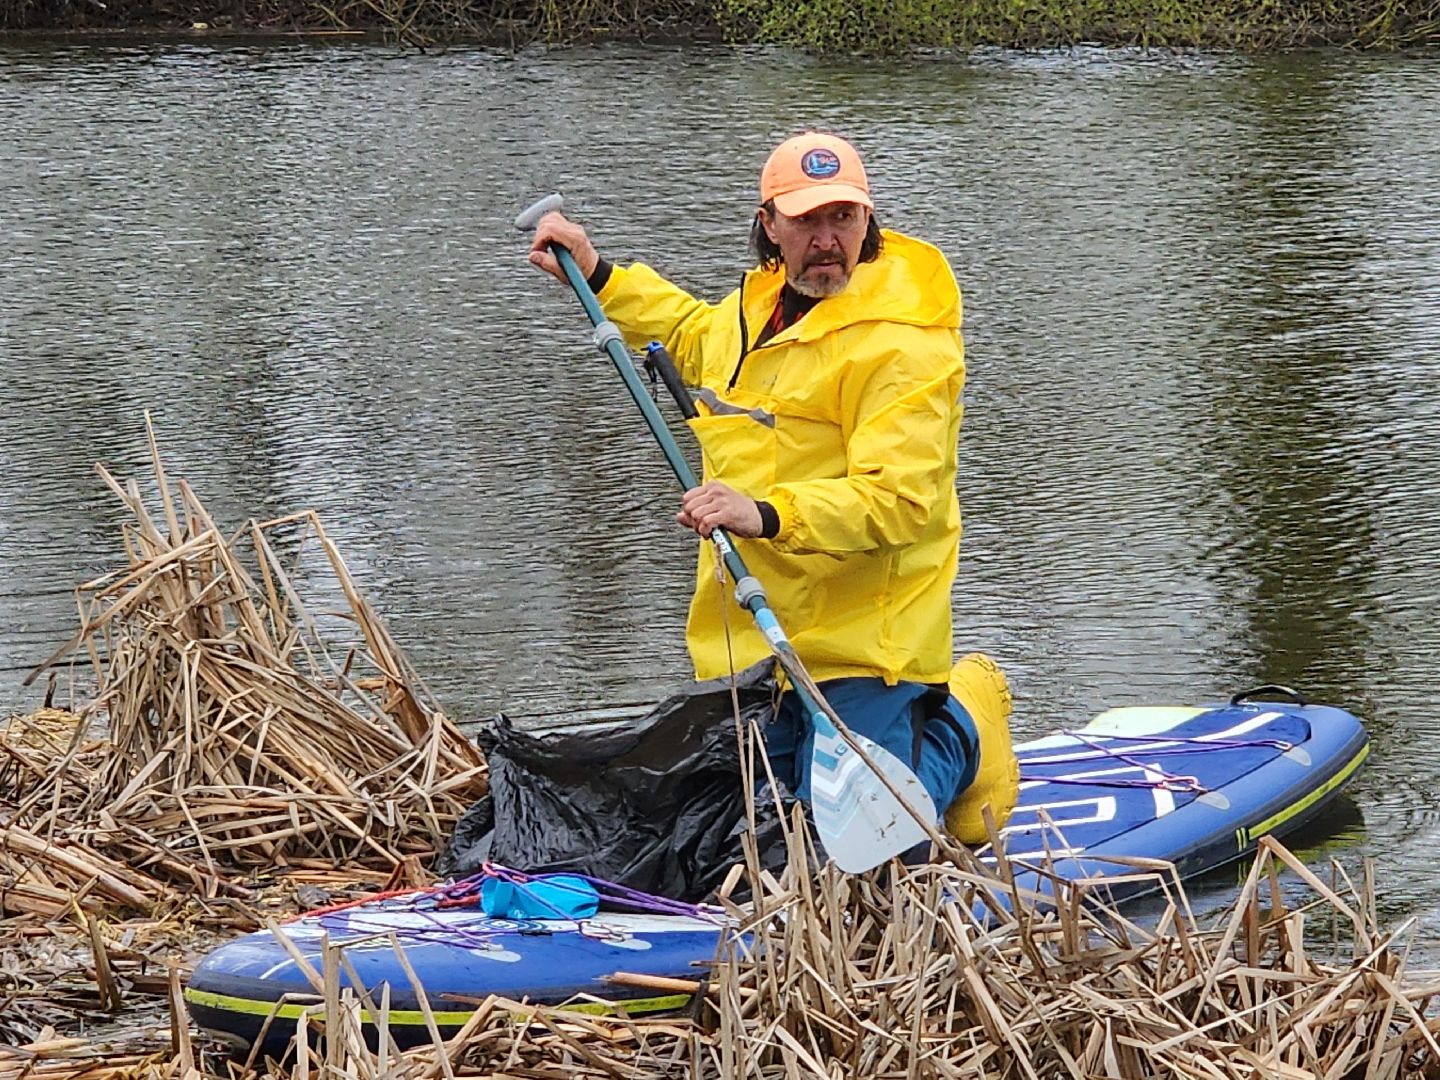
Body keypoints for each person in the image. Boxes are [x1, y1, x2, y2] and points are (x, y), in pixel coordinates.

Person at [527, 132, 981, 833]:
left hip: (867, 649)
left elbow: (899, 503)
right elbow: (687, 334)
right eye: (806, 221)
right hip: (758, 638)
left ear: (869, 220)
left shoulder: (905, 345)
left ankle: (959, 731)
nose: (826, 240)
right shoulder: (760, 306)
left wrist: (765, 513)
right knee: (722, 824)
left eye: (843, 218)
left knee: (864, 838)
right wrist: (596, 272)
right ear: (770, 224)